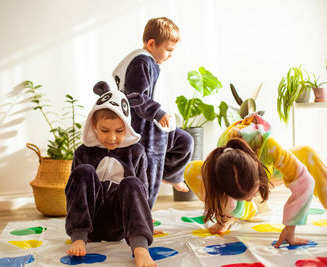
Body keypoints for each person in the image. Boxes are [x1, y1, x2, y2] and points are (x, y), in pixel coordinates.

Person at [184, 112, 327, 248]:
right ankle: (233, 213)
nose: (247, 199)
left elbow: (304, 180)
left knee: (308, 153)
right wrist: (225, 212)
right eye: (245, 197)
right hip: (238, 187)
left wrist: (291, 226)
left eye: (250, 196)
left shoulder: (270, 146)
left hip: (267, 171)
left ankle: (244, 205)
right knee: (192, 170)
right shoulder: (221, 161)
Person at [65, 81, 157, 267]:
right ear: (94, 125)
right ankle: (79, 237)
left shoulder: (135, 151)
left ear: (128, 127)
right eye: (105, 130)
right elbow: (73, 191)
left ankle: (140, 247)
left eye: (119, 131)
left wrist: (144, 213)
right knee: (84, 171)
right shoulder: (83, 152)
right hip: (90, 222)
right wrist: (80, 232)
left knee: (131, 182)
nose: (112, 137)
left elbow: (142, 189)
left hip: (120, 223)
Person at [112, 17, 193, 208]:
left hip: (158, 127)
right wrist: (157, 112)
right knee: (150, 175)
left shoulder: (151, 62)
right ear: (151, 44)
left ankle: (171, 175)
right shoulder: (142, 62)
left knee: (184, 141)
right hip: (146, 130)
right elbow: (135, 95)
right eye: (169, 50)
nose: (171, 55)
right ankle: (142, 217)